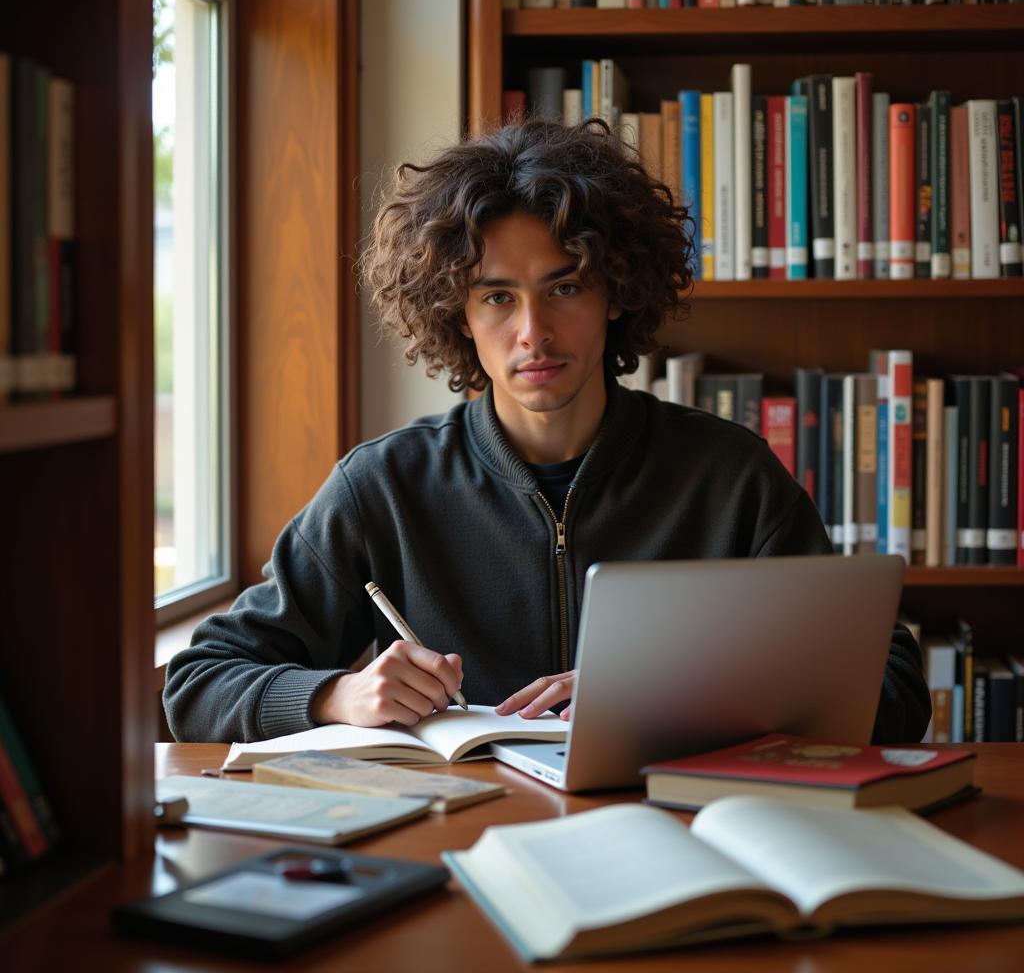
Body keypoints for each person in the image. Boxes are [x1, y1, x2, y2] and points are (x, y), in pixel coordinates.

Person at [164, 119, 930, 744]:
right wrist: (338, 695)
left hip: (676, 836)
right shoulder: (383, 488)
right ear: (456, 315)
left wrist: (672, 696)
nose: (534, 331)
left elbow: (891, 685)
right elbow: (197, 685)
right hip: (457, 848)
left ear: (617, 295)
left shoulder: (729, 476)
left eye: (565, 287)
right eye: (497, 297)